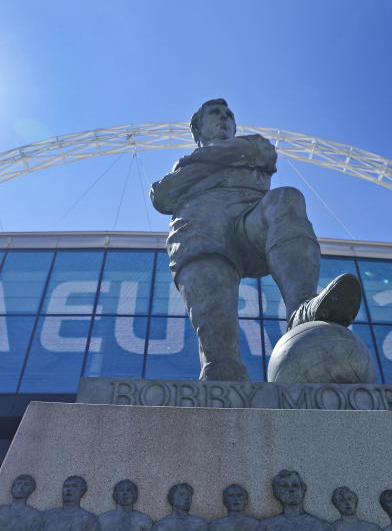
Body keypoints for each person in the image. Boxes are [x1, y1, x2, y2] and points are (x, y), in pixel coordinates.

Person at [150, 98, 362, 381]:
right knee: (221, 367)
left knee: (286, 199)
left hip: (249, 222)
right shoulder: (235, 153)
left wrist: (192, 169)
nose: (224, 118)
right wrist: (223, 158)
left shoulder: (247, 147)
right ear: (198, 130)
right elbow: (161, 196)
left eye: (229, 114)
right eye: (215, 114)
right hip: (200, 234)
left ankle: (302, 309)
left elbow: (262, 152)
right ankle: (222, 375)